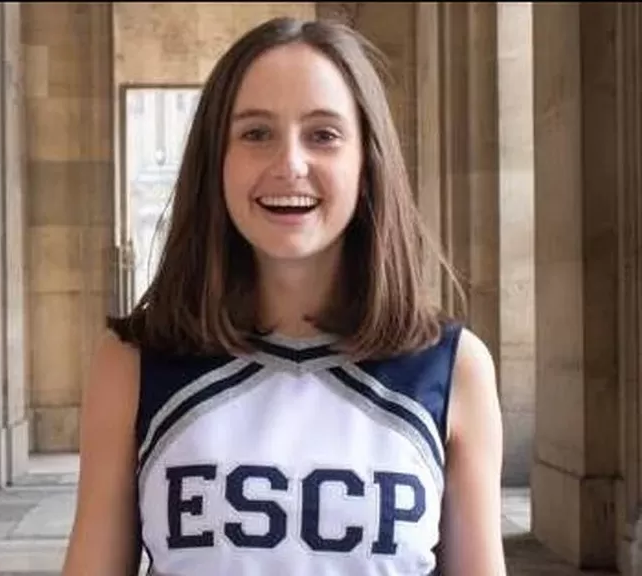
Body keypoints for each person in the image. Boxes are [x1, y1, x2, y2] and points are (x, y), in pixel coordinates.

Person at [62, 16, 506, 576]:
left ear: (366, 163)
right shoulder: (130, 366)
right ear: (215, 162)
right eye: (255, 133)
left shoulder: (454, 368)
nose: (289, 164)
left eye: (323, 135)